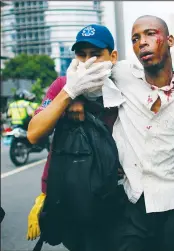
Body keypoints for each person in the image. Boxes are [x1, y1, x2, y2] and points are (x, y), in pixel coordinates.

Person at [102, 15, 174, 251]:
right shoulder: (123, 75)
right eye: (135, 38)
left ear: (170, 40)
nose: (142, 43)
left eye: (150, 34)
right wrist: (74, 98)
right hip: (133, 201)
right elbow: (81, 70)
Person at [26, 24, 118, 251]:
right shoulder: (62, 85)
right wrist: (69, 93)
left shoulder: (123, 85)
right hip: (70, 193)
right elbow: (34, 134)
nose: (87, 61)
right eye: (81, 55)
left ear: (112, 56)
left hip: (114, 194)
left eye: (95, 55)